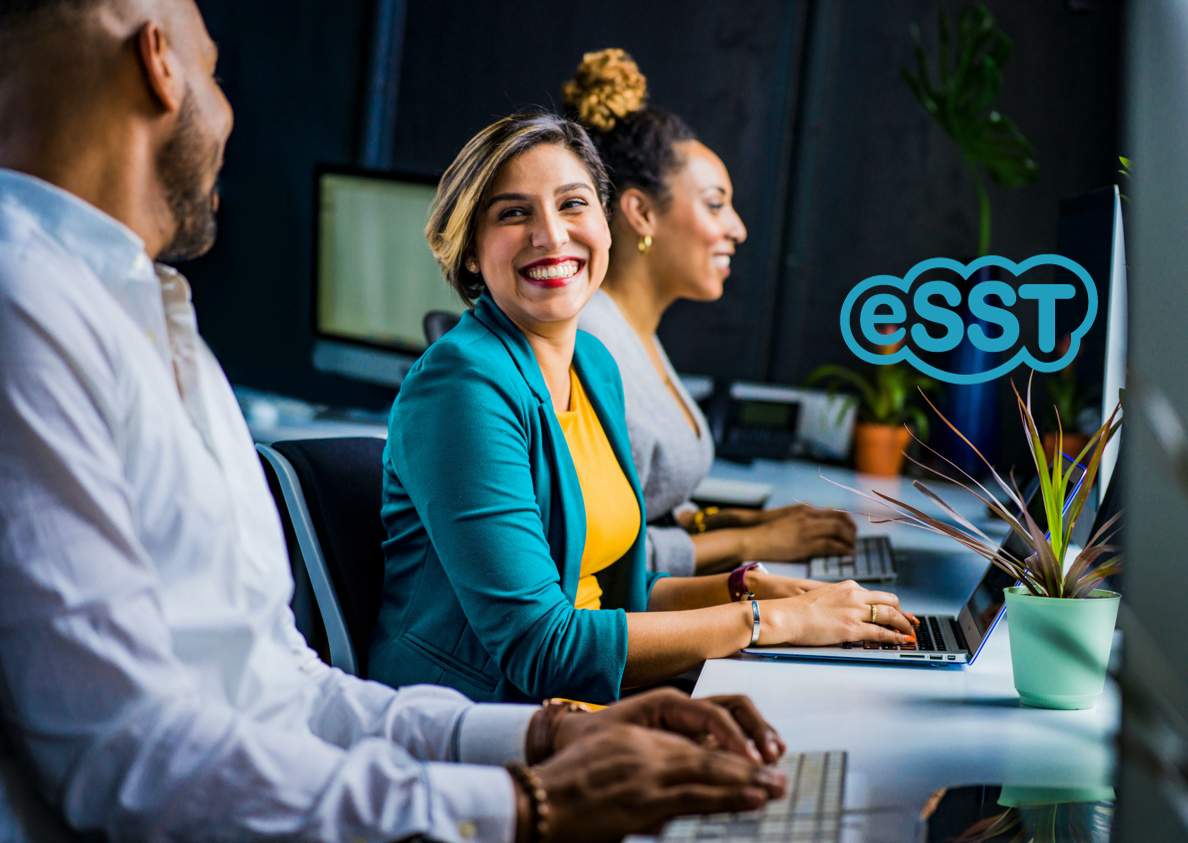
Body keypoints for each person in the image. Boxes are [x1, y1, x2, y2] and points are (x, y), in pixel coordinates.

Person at [0, 2, 792, 841]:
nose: (227, 112)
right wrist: (528, 801)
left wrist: (550, 737)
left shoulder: (146, 311)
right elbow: (131, 760)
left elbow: (282, 690)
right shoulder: (28, 307)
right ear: (160, 65)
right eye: (215, 71)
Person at [370, 110, 917, 705]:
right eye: (513, 213)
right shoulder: (461, 388)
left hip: (584, 704)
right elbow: (541, 646)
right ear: (472, 252)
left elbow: (617, 595)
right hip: (477, 722)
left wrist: (755, 591)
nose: (551, 235)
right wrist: (770, 622)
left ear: (606, 224)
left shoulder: (594, 365)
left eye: (573, 204)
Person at [567, 48, 861, 578]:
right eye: (714, 203)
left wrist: (741, 522)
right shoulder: (591, 344)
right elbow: (598, 558)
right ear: (641, 211)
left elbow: (646, 509)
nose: (737, 228)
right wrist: (752, 540)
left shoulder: (635, 334)